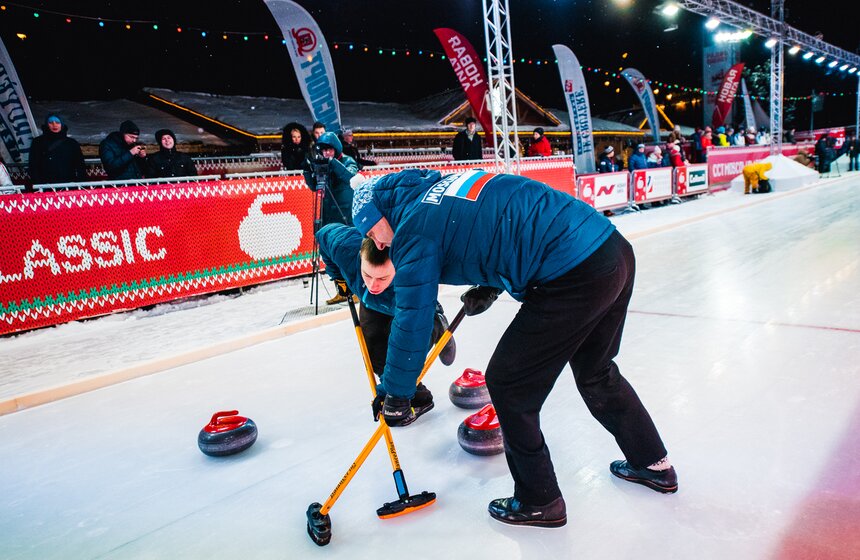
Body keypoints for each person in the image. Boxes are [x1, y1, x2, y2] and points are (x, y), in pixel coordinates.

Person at [351, 168, 676, 528]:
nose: (378, 244)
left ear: (379, 213)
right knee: (596, 372)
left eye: (371, 231)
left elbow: (413, 316)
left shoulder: (411, 229)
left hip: (572, 272)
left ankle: (540, 499)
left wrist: (397, 393)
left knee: (509, 383)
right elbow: (500, 223)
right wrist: (491, 284)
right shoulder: (439, 190)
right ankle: (653, 464)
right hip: (610, 251)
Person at [317, 222, 457, 422]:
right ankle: (418, 398)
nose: (373, 284)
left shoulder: (411, 282)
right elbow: (323, 235)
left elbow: (407, 349)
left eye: (382, 277)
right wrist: (338, 277)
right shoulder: (345, 247)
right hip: (372, 304)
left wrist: (389, 392)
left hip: (409, 306)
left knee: (405, 350)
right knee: (374, 352)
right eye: (367, 274)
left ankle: (438, 324)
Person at [303, 131, 359, 304]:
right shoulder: (324, 163)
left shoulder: (348, 161)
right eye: (324, 151)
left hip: (346, 216)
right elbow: (314, 186)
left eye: (330, 150)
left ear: (336, 149)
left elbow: (351, 178)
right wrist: (307, 170)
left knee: (349, 252)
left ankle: (356, 289)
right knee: (329, 251)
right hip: (328, 214)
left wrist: (332, 163)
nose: (326, 154)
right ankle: (342, 290)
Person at [27, 114, 87, 185]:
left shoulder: (71, 143)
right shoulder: (38, 142)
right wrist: (38, 184)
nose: (54, 125)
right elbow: (33, 165)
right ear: (47, 124)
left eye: (57, 122)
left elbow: (80, 165)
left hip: (68, 185)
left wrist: (79, 184)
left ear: (62, 124)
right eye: (51, 122)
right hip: (45, 186)